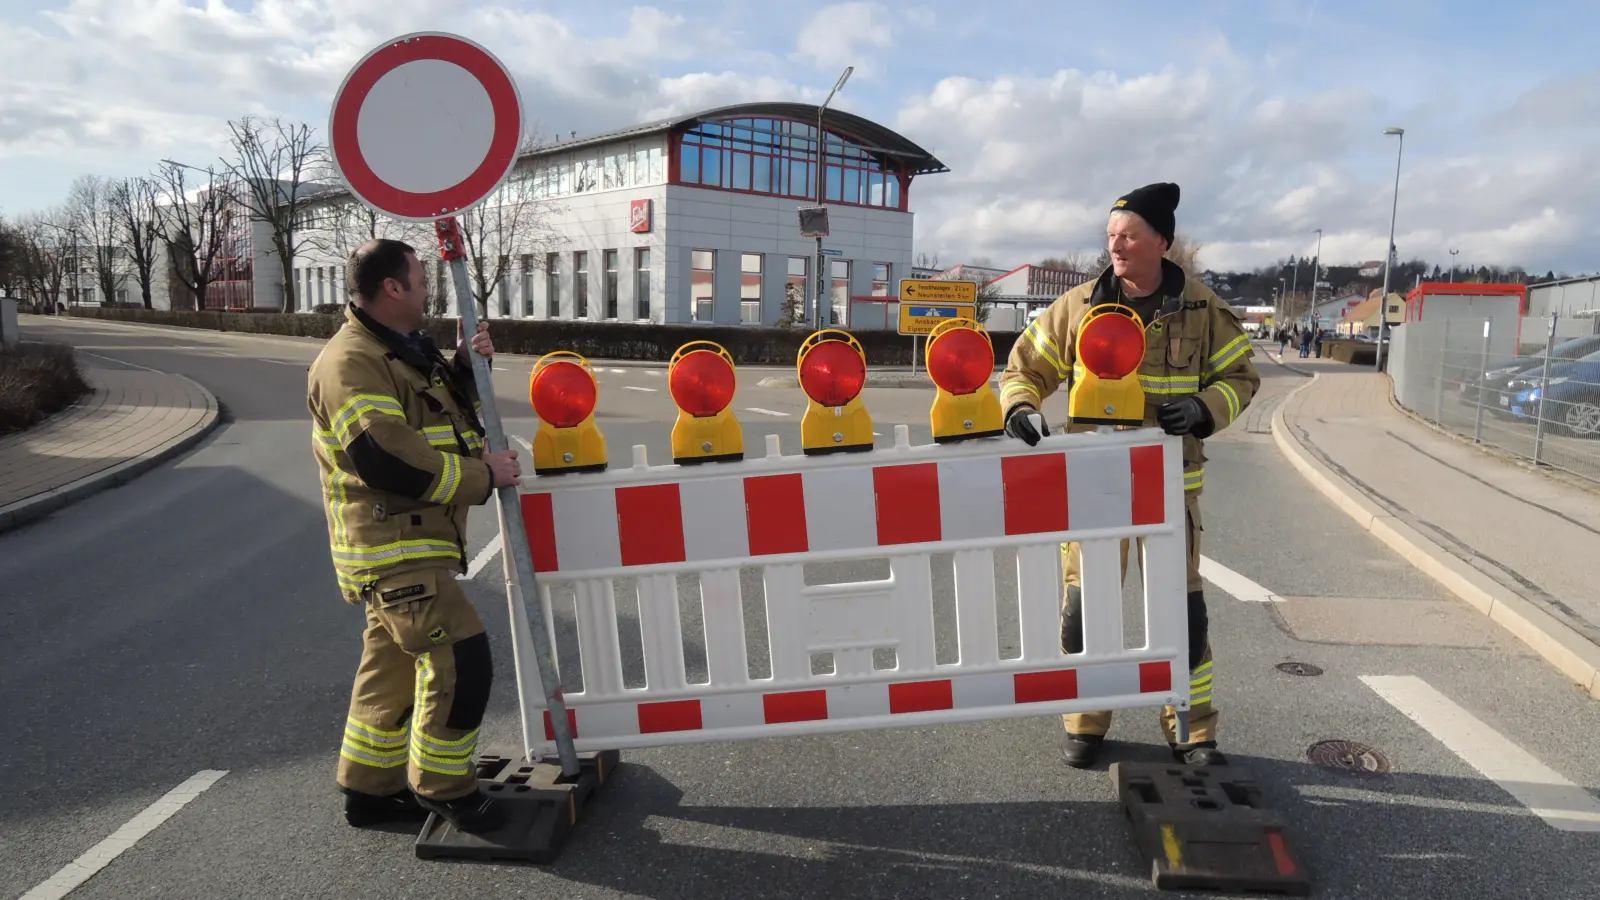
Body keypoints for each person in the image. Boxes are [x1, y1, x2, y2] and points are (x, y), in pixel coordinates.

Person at [997, 183, 1259, 770]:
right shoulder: (1079, 306)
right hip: (1094, 488)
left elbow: (1241, 379)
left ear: (1161, 241)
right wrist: (1019, 407)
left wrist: (1203, 409)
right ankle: (1086, 720)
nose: (1115, 244)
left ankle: (1191, 729)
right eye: (1111, 234)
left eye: (1129, 234)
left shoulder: (1203, 309)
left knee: (1181, 616)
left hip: (1170, 490)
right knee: (1086, 610)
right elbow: (1025, 367)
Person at [307, 238, 522, 832]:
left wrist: (460, 370)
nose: (429, 290)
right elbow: (387, 458)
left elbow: (433, 422)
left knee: (391, 671)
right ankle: (447, 789)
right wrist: (484, 477)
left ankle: (368, 789)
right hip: (392, 546)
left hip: (409, 544)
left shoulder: (394, 354)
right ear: (393, 288)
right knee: (461, 658)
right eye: (421, 280)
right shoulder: (350, 362)